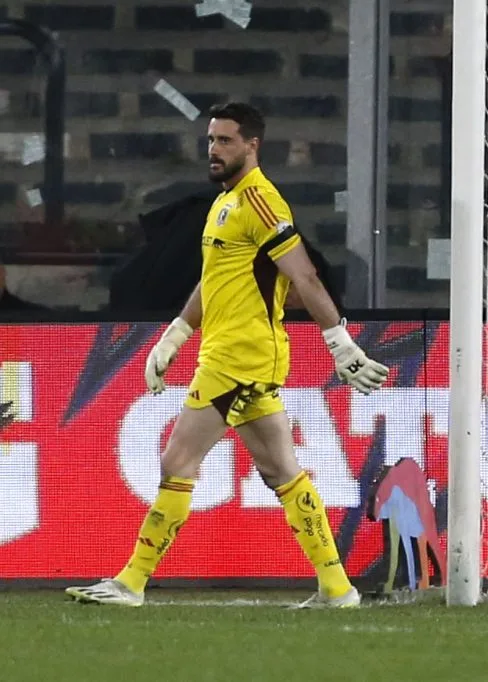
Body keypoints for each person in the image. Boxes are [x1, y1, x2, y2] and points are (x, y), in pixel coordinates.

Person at [65, 102, 389, 609]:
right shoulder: (223, 204)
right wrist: (176, 333)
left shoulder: (261, 202)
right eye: (211, 140)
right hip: (232, 354)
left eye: (225, 141)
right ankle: (337, 587)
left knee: (178, 460)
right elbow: (214, 279)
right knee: (282, 470)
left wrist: (338, 341)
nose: (214, 150)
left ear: (252, 145)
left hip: (239, 356)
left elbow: (303, 275)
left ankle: (130, 582)